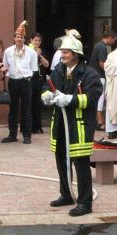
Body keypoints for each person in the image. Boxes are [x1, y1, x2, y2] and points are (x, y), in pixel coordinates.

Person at [42, 35, 103, 217]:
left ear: (76, 54)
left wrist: (70, 99)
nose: (62, 55)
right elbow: (46, 87)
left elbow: (92, 98)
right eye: (62, 52)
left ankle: (85, 203)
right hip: (61, 124)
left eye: (66, 52)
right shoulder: (58, 70)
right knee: (62, 160)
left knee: (80, 163)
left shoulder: (89, 74)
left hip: (79, 126)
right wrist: (46, 96)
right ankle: (66, 194)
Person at [2, 21, 38, 144]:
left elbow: (34, 69)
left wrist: (27, 78)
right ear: (14, 38)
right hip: (13, 81)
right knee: (13, 109)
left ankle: (27, 135)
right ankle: (12, 134)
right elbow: (5, 66)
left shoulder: (31, 52)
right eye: (17, 37)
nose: (19, 39)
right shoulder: (8, 51)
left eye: (21, 37)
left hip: (25, 82)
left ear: (24, 39)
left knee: (26, 108)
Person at [90, 31, 116, 130]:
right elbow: (102, 63)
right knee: (100, 98)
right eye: (113, 40)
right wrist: (111, 72)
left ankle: (98, 119)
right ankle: (99, 121)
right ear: (110, 37)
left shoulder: (98, 45)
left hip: (95, 75)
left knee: (99, 98)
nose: (113, 42)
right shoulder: (102, 47)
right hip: (100, 76)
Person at [28, 32, 50, 134]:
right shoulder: (27, 50)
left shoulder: (41, 51)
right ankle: (27, 127)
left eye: (39, 41)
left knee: (37, 103)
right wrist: (35, 54)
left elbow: (46, 64)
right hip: (29, 79)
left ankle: (37, 127)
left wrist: (39, 55)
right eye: (35, 40)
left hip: (39, 79)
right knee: (28, 103)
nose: (37, 42)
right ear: (31, 40)